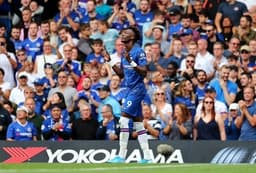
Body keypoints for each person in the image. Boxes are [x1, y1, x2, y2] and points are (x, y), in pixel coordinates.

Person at [105, 26, 151, 163]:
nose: (122, 34)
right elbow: (121, 74)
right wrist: (110, 60)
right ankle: (148, 157)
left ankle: (121, 155)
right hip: (130, 89)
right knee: (138, 123)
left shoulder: (138, 51)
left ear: (132, 37)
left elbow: (144, 72)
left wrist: (131, 60)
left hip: (137, 89)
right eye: (122, 32)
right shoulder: (126, 52)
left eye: (126, 33)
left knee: (124, 119)